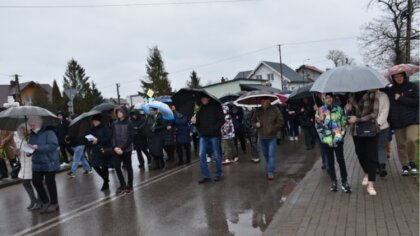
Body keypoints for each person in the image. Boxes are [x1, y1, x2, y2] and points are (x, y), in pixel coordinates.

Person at [315, 93, 351, 193]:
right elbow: (318, 128)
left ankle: (345, 181)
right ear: (323, 99)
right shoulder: (320, 110)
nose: (329, 99)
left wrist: (340, 136)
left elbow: (344, 124)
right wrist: (325, 140)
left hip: (338, 140)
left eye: (330, 97)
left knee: (341, 160)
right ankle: (333, 181)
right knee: (330, 162)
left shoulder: (339, 109)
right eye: (327, 98)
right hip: (326, 142)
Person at [346, 90, 379, 196]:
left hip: (370, 129)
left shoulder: (373, 94)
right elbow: (349, 117)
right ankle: (367, 172)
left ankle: (371, 184)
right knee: (360, 153)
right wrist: (348, 110)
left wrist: (358, 119)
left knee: (371, 156)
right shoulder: (351, 95)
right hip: (356, 130)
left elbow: (374, 113)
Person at [385, 71, 419, 176]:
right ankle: (404, 165)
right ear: (393, 78)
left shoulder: (412, 86)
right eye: (396, 77)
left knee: (411, 140)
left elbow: (416, 102)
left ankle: (412, 162)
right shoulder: (390, 89)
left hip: (412, 120)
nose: (399, 78)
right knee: (401, 145)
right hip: (397, 121)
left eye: (400, 76)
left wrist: (401, 98)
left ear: (404, 76)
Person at [27, 116, 60, 213]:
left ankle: (54, 203)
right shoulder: (32, 135)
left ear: (39, 124)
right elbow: (31, 146)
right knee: (36, 182)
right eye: (30, 126)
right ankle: (45, 202)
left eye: (33, 125)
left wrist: (38, 147)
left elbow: (53, 145)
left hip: (50, 162)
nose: (32, 127)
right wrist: (29, 151)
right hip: (37, 163)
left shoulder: (49, 132)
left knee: (50, 183)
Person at [191, 95, 224, 184]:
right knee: (201, 155)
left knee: (216, 155)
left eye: (204, 98)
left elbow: (221, 120)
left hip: (214, 135)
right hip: (203, 136)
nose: (203, 100)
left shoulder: (215, 107)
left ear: (208, 99)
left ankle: (218, 174)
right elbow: (198, 124)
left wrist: (214, 128)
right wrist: (194, 122)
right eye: (202, 98)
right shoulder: (199, 109)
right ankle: (206, 176)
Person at [251, 96, 284, 180]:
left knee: (271, 154)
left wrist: (273, 128)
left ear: (268, 101)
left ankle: (270, 172)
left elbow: (281, 121)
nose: (263, 103)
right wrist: (256, 124)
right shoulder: (257, 110)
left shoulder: (275, 109)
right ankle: (271, 166)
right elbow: (252, 121)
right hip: (262, 136)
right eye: (261, 101)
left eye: (264, 101)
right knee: (265, 154)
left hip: (272, 136)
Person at [15, 123, 40, 210]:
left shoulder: (34, 137)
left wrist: (31, 149)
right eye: (21, 130)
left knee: (37, 183)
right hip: (24, 164)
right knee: (25, 182)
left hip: (33, 163)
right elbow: (20, 151)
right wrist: (17, 152)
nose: (23, 131)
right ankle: (33, 200)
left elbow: (37, 149)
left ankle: (40, 201)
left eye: (24, 130)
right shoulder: (21, 139)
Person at [87, 114, 112, 191]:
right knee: (95, 165)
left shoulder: (105, 128)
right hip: (95, 150)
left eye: (95, 121)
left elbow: (108, 138)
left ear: (99, 121)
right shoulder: (92, 129)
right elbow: (89, 141)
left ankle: (105, 183)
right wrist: (90, 141)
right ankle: (106, 179)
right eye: (93, 121)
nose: (94, 122)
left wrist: (98, 140)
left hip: (103, 149)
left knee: (104, 167)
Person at [112, 106, 134, 194]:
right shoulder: (115, 123)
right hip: (117, 149)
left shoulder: (129, 123)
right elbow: (113, 137)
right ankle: (122, 184)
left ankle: (130, 185)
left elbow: (130, 137)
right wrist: (114, 147)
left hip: (126, 150)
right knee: (117, 167)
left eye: (120, 112)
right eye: (117, 112)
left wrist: (123, 148)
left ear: (124, 112)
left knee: (128, 167)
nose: (118, 114)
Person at [376, 90, 390, 177]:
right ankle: (376, 165)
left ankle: (382, 166)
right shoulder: (365, 96)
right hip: (369, 128)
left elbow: (385, 110)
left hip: (382, 126)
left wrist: (378, 123)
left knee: (381, 146)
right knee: (373, 148)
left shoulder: (383, 95)